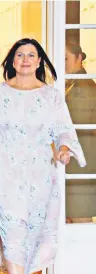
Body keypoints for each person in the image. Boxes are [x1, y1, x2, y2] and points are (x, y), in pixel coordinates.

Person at [0, 38, 86, 274]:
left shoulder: (51, 96)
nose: (25, 59)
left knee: (32, 230)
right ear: (12, 61)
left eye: (31, 55)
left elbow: (63, 129)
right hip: (2, 168)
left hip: (39, 170)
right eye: (20, 55)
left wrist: (63, 149)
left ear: (39, 61)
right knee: (12, 228)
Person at [65, 42, 96, 222]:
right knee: (73, 220)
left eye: (66, 58)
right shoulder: (72, 85)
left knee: (79, 219)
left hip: (81, 165)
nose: (62, 63)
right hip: (77, 164)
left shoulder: (82, 89)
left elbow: (77, 126)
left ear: (79, 59)